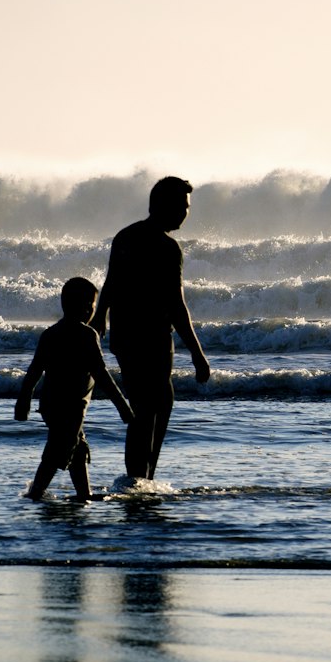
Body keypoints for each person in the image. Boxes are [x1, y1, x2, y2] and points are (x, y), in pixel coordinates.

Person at [91, 176, 211, 482]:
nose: (186, 213)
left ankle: (144, 476)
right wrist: (197, 354)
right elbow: (177, 306)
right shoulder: (167, 248)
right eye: (182, 206)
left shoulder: (125, 236)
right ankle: (139, 478)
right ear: (162, 204)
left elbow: (111, 282)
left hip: (124, 336)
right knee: (147, 409)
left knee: (158, 402)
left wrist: (100, 316)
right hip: (151, 337)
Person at [15, 276, 134, 500]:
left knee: (76, 449)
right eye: (90, 305)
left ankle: (83, 494)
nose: (92, 310)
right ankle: (36, 492)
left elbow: (33, 372)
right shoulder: (87, 335)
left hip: (50, 405)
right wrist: (122, 406)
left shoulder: (50, 334)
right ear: (75, 305)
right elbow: (101, 375)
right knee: (59, 450)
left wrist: (24, 400)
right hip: (71, 407)